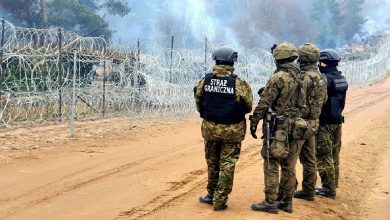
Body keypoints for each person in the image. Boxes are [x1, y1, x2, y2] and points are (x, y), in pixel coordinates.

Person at [194, 45, 253, 211]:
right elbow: (248, 106)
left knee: (212, 163)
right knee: (227, 164)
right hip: (232, 130)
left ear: (216, 60)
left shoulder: (205, 80)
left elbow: (199, 103)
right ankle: (220, 200)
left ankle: (210, 195)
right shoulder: (239, 83)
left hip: (210, 129)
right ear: (232, 62)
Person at [250, 43, 306, 214]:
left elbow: (265, 102)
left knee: (271, 161)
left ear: (278, 58)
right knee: (289, 166)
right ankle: (286, 201)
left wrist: (254, 121)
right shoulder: (300, 77)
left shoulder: (279, 77)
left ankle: (270, 201)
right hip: (296, 125)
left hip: (278, 126)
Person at [294, 43, 328, 201]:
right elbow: (325, 99)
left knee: (289, 158)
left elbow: (295, 100)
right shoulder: (321, 77)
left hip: (300, 123)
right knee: (309, 159)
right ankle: (309, 191)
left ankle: (286, 191)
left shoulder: (303, 77)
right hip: (314, 123)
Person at [315, 49, 348, 199]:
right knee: (334, 155)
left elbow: (318, 102)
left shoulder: (324, 80)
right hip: (337, 121)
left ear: (323, 63)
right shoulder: (341, 79)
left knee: (323, 156)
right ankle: (332, 185)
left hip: (325, 123)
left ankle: (328, 189)